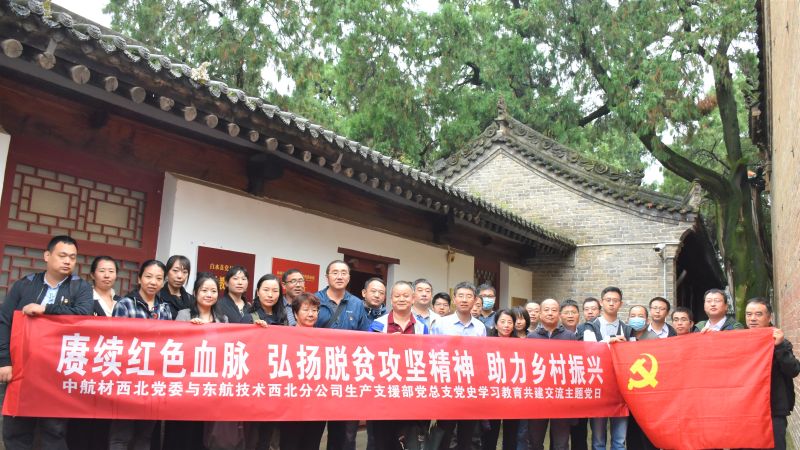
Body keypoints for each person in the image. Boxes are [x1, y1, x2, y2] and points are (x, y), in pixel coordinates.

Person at [0, 235, 93, 450]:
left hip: (58, 370)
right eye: (62, 255)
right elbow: (4, 321)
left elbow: (83, 315)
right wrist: (4, 361)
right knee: (17, 428)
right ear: (47, 256)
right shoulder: (25, 284)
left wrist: (46, 309)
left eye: (72, 257)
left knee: (54, 430)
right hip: (22, 367)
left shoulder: (80, 287)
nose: (67, 261)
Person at [108, 260, 171, 450]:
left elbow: (170, 342)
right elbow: (117, 340)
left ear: (163, 282)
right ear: (140, 278)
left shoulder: (165, 308)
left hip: (153, 380)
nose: (153, 282)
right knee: (121, 435)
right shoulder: (125, 304)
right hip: (128, 379)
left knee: (144, 436)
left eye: (158, 278)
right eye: (149, 276)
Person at [315, 261, 370, 450]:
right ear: (327, 277)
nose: (339, 276)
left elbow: (365, 338)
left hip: (347, 376)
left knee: (345, 433)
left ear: (349, 277)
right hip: (318, 373)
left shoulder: (357, 304)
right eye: (335, 272)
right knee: (313, 428)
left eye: (343, 273)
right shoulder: (314, 300)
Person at [172, 273, 229, 450]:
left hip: (211, 382)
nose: (209, 294)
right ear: (195, 292)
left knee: (205, 430)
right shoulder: (184, 315)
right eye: (204, 290)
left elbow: (226, 348)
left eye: (213, 291)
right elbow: (173, 345)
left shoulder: (223, 319)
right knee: (183, 429)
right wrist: (189, 329)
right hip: (186, 381)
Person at [370, 281, 429, 450]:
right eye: (397, 296)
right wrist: (387, 344)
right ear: (390, 299)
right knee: (382, 440)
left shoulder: (421, 327)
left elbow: (426, 358)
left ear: (413, 299)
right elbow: (368, 355)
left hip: (411, 392)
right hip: (384, 392)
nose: (401, 299)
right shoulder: (378, 325)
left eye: (406, 296)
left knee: (408, 440)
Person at [431, 282, 486, 450]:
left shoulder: (480, 327)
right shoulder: (441, 324)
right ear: (454, 299)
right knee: (445, 433)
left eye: (469, 296)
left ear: (474, 300)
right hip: (447, 388)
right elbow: (432, 354)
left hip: (470, 389)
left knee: (467, 435)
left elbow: (482, 357)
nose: (464, 300)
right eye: (460, 296)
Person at [579, 287, 631, 450]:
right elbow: (590, 348)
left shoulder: (627, 328)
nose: (611, 303)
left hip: (621, 389)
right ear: (601, 302)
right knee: (598, 440)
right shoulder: (590, 326)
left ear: (620, 304)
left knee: (619, 441)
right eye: (608, 300)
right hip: (598, 387)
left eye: (615, 300)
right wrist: (611, 340)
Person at [745, 297, 800, 450]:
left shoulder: (780, 341)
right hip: (746, 410)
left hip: (773, 410)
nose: (753, 318)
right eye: (749, 314)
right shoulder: (738, 341)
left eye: (758, 314)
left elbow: (793, 370)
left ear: (769, 317)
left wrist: (779, 347)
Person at [279, 293, 327, 450]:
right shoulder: (284, 337)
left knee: (312, 444)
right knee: (289, 444)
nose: (311, 314)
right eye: (306, 310)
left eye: (314, 310)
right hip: (291, 404)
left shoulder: (326, 339)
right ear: (295, 313)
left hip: (316, 405)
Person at [527, 299, 576, 450]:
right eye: (546, 310)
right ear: (540, 314)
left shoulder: (569, 336)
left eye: (554, 310)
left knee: (561, 443)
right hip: (538, 397)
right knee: (535, 441)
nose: (550, 313)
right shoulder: (531, 337)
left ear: (559, 314)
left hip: (561, 397)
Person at [482, 309, 520, 450]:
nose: (506, 325)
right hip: (492, 394)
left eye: (510, 322)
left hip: (512, 394)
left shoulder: (521, 344)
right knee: (490, 435)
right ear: (496, 324)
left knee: (511, 435)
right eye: (502, 322)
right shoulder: (486, 342)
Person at [159, 255, 194, 319]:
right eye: (175, 270)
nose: (180, 276)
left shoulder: (191, 300)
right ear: (167, 272)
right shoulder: (157, 297)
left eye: (184, 272)